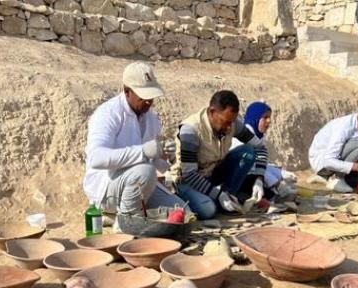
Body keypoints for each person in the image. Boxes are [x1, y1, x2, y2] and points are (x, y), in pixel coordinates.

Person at [83, 62, 185, 218]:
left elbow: (152, 159)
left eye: (151, 96)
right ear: (126, 91)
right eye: (143, 97)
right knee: (145, 171)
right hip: (107, 188)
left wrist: (164, 155)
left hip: (138, 185)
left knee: (182, 213)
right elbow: (96, 158)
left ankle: (132, 216)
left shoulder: (150, 118)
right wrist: (143, 151)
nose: (148, 102)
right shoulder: (107, 114)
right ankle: (125, 222)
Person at [170, 90, 269, 219]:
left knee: (247, 153)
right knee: (208, 210)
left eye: (231, 122)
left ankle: (228, 198)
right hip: (188, 181)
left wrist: (259, 179)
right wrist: (219, 194)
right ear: (212, 112)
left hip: (212, 174)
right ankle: (218, 200)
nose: (229, 128)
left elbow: (260, 147)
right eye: (226, 122)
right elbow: (189, 175)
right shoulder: (191, 131)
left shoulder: (232, 123)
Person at [308, 104, 358, 193]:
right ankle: (336, 178)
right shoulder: (344, 127)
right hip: (323, 164)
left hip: (337, 162)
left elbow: (352, 152)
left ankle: (326, 178)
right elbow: (328, 161)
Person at [231, 101, 297, 202]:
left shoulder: (258, 137)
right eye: (265, 117)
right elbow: (249, 166)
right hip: (236, 179)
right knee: (253, 181)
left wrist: (280, 173)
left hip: (251, 175)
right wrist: (275, 183)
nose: (269, 121)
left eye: (269, 117)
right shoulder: (242, 138)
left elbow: (262, 162)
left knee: (269, 176)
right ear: (255, 118)